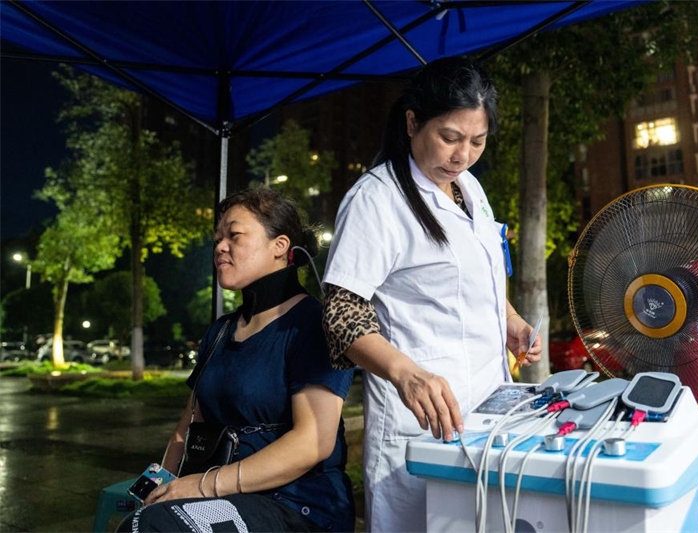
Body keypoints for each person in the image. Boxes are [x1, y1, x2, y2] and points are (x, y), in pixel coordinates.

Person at [322, 57, 542, 532]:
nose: (463, 155)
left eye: (477, 141)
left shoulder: (470, 188)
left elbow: (474, 274)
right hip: (418, 420)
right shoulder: (377, 198)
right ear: (412, 123)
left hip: (490, 410)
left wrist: (509, 319)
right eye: (450, 137)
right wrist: (407, 375)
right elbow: (341, 312)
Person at [118, 189, 355, 533]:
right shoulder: (220, 331)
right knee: (141, 519)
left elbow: (313, 443)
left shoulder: (312, 325)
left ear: (280, 246)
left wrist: (203, 485)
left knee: (154, 528)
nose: (220, 247)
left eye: (235, 235)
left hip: (296, 506)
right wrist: (163, 484)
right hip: (220, 495)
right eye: (217, 238)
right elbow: (188, 424)